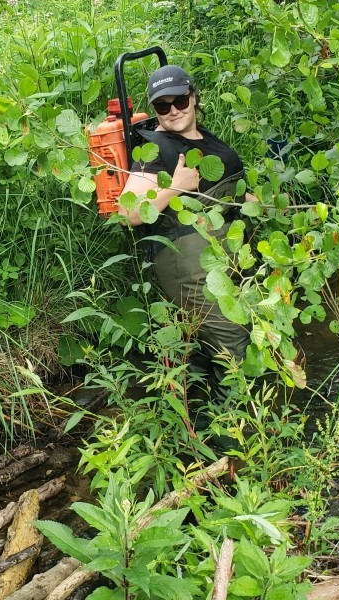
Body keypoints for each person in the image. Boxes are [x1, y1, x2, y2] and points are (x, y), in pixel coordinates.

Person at [118, 64, 256, 439]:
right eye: (163, 107)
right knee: (234, 347)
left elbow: (225, 187)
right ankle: (233, 453)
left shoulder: (205, 139)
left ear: (194, 97)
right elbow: (129, 212)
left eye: (180, 100)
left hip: (224, 251)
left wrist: (256, 202)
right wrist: (175, 187)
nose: (174, 111)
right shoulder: (156, 149)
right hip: (187, 258)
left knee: (201, 351)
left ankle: (187, 438)